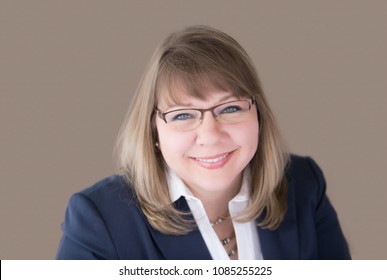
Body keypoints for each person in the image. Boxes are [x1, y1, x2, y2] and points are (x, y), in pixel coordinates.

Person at [56, 25, 350, 260]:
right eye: (183, 114)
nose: (210, 135)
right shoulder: (100, 219)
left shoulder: (304, 184)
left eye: (231, 108)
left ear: (258, 114)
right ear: (154, 131)